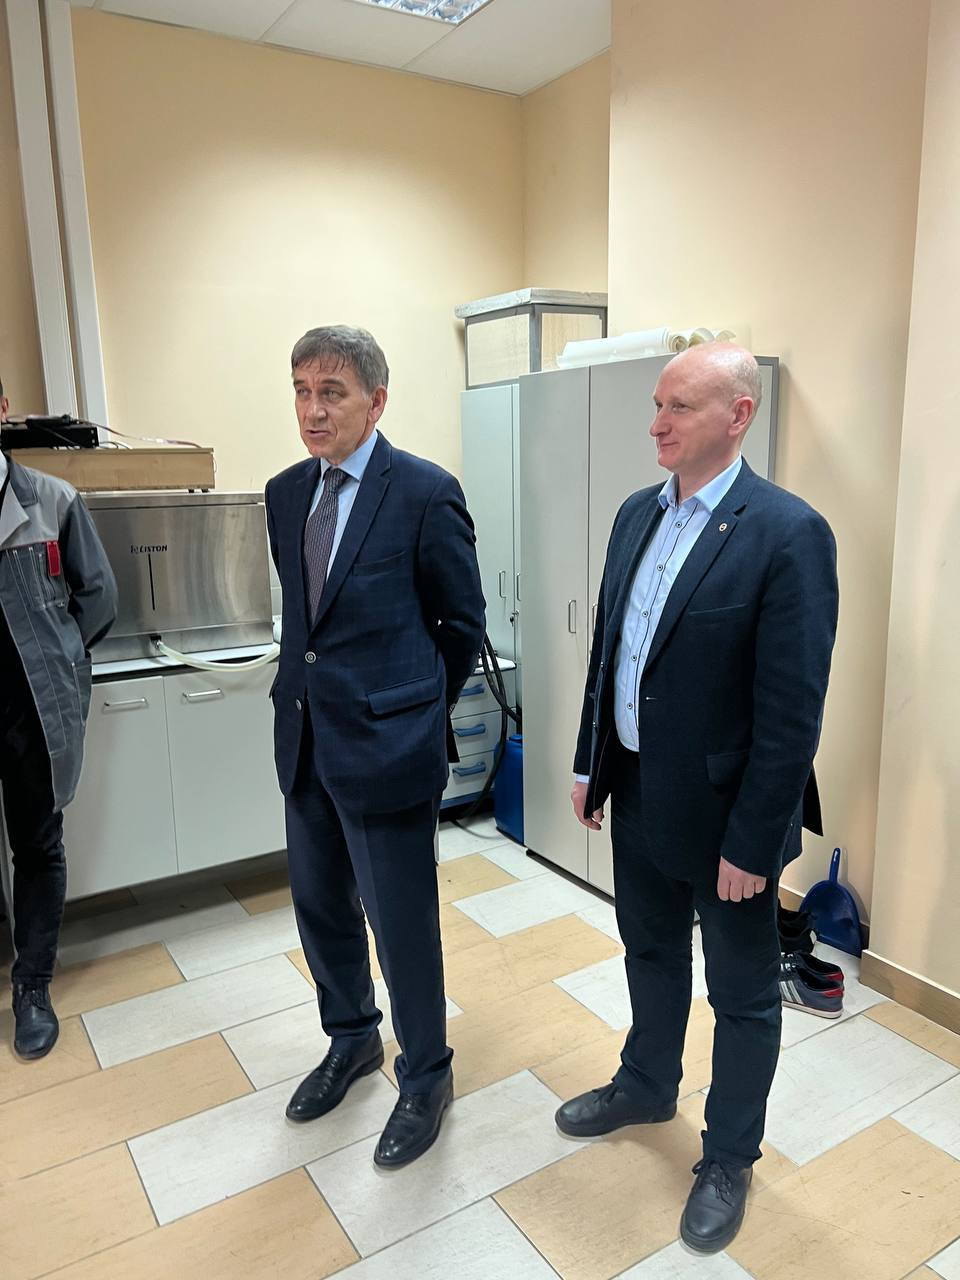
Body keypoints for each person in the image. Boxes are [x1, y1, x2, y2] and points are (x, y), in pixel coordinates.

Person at [558, 343, 838, 1253]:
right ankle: (647, 1083)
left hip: (728, 818)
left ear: (738, 415)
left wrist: (754, 844)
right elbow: (613, 654)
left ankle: (728, 1156)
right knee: (648, 951)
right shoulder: (636, 514)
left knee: (743, 992)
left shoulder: (787, 533)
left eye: (678, 407)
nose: (657, 424)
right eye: (657, 404)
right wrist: (592, 761)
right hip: (639, 790)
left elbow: (791, 713)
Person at [265, 326, 484, 1169]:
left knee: (401, 925)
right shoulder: (286, 493)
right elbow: (306, 625)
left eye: (332, 392)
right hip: (306, 739)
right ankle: (352, 1036)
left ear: (376, 401)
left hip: (389, 748)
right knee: (320, 908)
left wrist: (413, 711)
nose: (312, 410)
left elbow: (460, 625)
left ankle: (425, 1074)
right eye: (302, 391)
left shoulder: (425, 492)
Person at [0, 375, 118, 1058]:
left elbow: (97, 598)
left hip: (33, 712)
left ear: (3, 409)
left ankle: (33, 987)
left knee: (38, 845)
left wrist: (63, 661)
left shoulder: (52, 500)